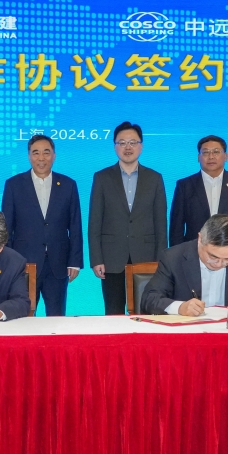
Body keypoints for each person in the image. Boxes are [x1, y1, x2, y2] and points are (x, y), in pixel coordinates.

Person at [88, 121, 167, 315]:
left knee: (146, 310)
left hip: (146, 256)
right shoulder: (102, 177)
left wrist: (160, 260)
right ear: (115, 147)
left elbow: (161, 224)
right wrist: (96, 259)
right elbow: (94, 221)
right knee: (113, 312)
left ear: (141, 146)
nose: (128, 147)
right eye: (122, 143)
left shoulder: (155, 178)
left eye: (133, 142)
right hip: (111, 257)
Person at [1, 134, 83, 316]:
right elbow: (6, 227)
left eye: (46, 152)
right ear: (29, 156)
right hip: (24, 263)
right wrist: (8, 262)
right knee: (22, 316)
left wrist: (75, 262)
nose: (41, 158)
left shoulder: (68, 184)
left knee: (57, 317)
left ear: (54, 155)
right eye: (36, 153)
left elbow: (75, 225)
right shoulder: (14, 185)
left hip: (58, 264)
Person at [141, 214, 228, 316]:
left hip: (226, 332)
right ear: (200, 239)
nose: (219, 264)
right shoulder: (173, 257)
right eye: (213, 257)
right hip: (188, 332)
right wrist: (180, 308)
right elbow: (150, 299)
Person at [169, 135, 228, 256]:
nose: (211, 156)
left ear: (225, 156)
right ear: (198, 157)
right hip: (194, 253)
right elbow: (176, 227)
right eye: (205, 152)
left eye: (216, 152)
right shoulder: (185, 185)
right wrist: (176, 257)